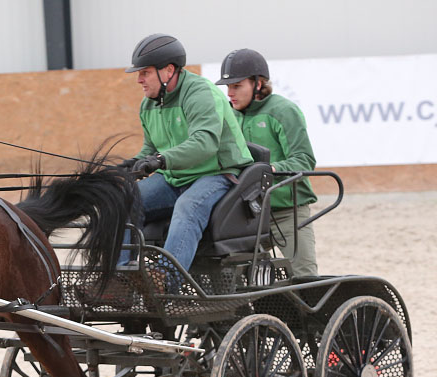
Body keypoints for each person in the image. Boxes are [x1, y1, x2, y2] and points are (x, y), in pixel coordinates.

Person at [120, 33, 253, 282]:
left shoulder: (200, 92)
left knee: (188, 206)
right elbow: (151, 148)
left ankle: (163, 280)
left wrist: (160, 160)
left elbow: (205, 144)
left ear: (168, 70)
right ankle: (120, 278)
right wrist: (131, 165)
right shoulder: (148, 104)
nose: (139, 79)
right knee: (125, 199)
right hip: (175, 176)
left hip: (216, 173)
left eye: (145, 72)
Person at [216, 48, 319, 277]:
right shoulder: (229, 115)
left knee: (304, 276)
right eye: (227, 87)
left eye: (236, 86)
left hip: (288, 211)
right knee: (236, 280)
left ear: (258, 84)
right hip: (248, 215)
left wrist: (270, 170)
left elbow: (304, 159)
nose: (230, 93)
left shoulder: (284, 111)